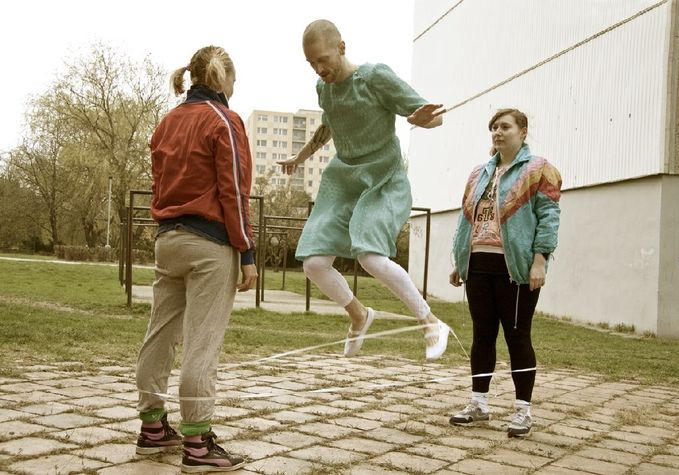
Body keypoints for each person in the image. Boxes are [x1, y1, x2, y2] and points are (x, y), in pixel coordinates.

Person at [278, 19, 450, 360]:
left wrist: (421, 119)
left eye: (323, 59)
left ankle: (430, 322)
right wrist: (300, 156)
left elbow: (435, 115)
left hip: (382, 177)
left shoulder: (374, 77)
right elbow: (329, 124)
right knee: (313, 262)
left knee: (370, 256)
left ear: (342, 47)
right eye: (312, 63)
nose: (319, 68)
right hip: (344, 180)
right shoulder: (323, 88)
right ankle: (359, 314)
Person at [135, 45, 257, 473]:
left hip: (167, 239)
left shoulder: (167, 123)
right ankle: (198, 445)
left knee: (160, 333)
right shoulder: (224, 120)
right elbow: (234, 191)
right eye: (235, 82)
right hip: (209, 245)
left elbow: (160, 182)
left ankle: (152, 428)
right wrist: (247, 252)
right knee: (202, 345)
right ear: (223, 79)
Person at [448, 108, 561, 437]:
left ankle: (523, 411)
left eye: (505, 127)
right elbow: (465, 218)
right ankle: (479, 404)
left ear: (523, 131)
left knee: (517, 336)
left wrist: (540, 260)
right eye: (494, 127)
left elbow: (549, 216)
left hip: (515, 267)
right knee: (482, 334)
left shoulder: (539, 170)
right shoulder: (478, 174)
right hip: (479, 263)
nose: (498, 132)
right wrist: (460, 261)